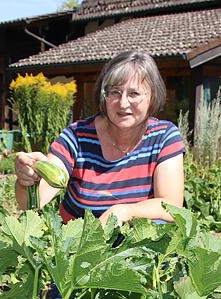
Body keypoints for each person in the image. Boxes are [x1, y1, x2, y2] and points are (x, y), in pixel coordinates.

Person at [14, 51, 185, 225]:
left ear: (153, 96)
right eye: (115, 92)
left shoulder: (164, 137)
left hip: (141, 245)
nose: (123, 103)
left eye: (134, 94)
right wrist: (27, 180)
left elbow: (171, 205)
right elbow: (31, 203)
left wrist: (125, 211)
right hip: (80, 245)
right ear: (104, 96)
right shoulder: (77, 137)